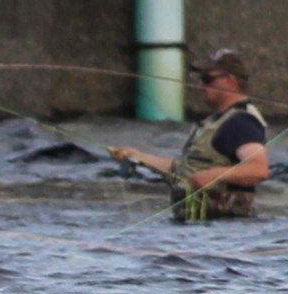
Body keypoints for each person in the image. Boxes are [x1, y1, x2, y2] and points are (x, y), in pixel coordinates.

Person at [112, 45, 270, 222]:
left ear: (229, 80)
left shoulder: (241, 122)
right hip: (197, 226)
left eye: (207, 78)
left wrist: (214, 175)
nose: (200, 85)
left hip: (224, 230)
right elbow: (182, 170)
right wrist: (138, 157)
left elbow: (258, 169)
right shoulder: (215, 122)